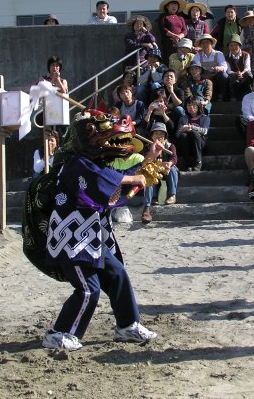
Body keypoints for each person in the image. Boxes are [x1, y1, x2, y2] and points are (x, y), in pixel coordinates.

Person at [39, 112, 160, 350]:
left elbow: (113, 182)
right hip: (73, 241)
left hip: (91, 238)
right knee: (88, 290)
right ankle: (59, 333)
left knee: (117, 275)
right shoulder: (77, 164)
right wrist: (138, 176)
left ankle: (127, 326)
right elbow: (109, 181)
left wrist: (148, 159)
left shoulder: (94, 164)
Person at [141, 122, 179, 223]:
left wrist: (169, 164)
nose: (159, 136)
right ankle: (147, 207)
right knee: (148, 174)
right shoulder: (147, 147)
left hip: (167, 171)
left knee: (173, 169)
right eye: (156, 133)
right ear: (152, 136)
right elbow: (145, 162)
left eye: (162, 133)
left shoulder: (170, 145)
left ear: (165, 136)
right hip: (154, 171)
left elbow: (174, 158)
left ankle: (172, 195)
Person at [175, 97, 210, 171]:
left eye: (194, 105)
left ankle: (198, 161)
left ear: (198, 106)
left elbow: (205, 131)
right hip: (187, 145)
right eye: (189, 105)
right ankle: (188, 163)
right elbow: (177, 135)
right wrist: (182, 129)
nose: (191, 107)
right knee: (183, 135)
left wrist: (192, 127)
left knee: (193, 133)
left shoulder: (205, 118)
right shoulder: (183, 118)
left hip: (200, 145)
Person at [191, 33, 228, 102]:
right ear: (200, 45)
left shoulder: (219, 54)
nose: (205, 45)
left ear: (211, 44)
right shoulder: (197, 55)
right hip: (204, 79)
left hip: (216, 77)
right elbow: (195, 66)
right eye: (203, 43)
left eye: (207, 42)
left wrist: (219, 68)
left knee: (224, 76)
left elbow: (224, 66)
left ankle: (223, 96)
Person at [225, 34, 252, 101]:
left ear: (239, 46)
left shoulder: (246, 55)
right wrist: (236, 73)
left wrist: (241, 73)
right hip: (234, 77)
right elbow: (228, 70)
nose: (233, 47)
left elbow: (247, 68)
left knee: (249, 75)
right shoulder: (226, 57)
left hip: (244, 76)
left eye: (235, 45)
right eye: (231, 45)